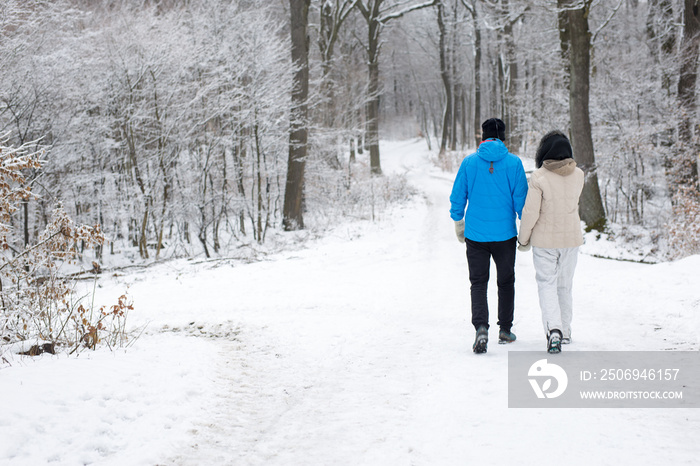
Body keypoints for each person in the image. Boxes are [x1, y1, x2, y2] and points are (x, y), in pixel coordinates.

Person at [449, 118, 528, 354]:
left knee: (478, 282)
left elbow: (457, 197)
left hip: (476, 236)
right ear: (503, 137)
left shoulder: (469, 163)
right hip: (505, 236)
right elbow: (522, 202)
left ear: (482, 137)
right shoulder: (514, 164)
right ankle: (505, 329)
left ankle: (481, 328)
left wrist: (458, 221)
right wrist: (526, 230)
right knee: (506, 282)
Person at [517, 131, 584, 354]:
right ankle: (565, 330)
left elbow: (530, 212)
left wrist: (523, 239)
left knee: (547, 284)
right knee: (565, 285)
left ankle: (553, 330)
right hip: (571, 240)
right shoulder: (579, 175)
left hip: (544, 242)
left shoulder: (539, 177)